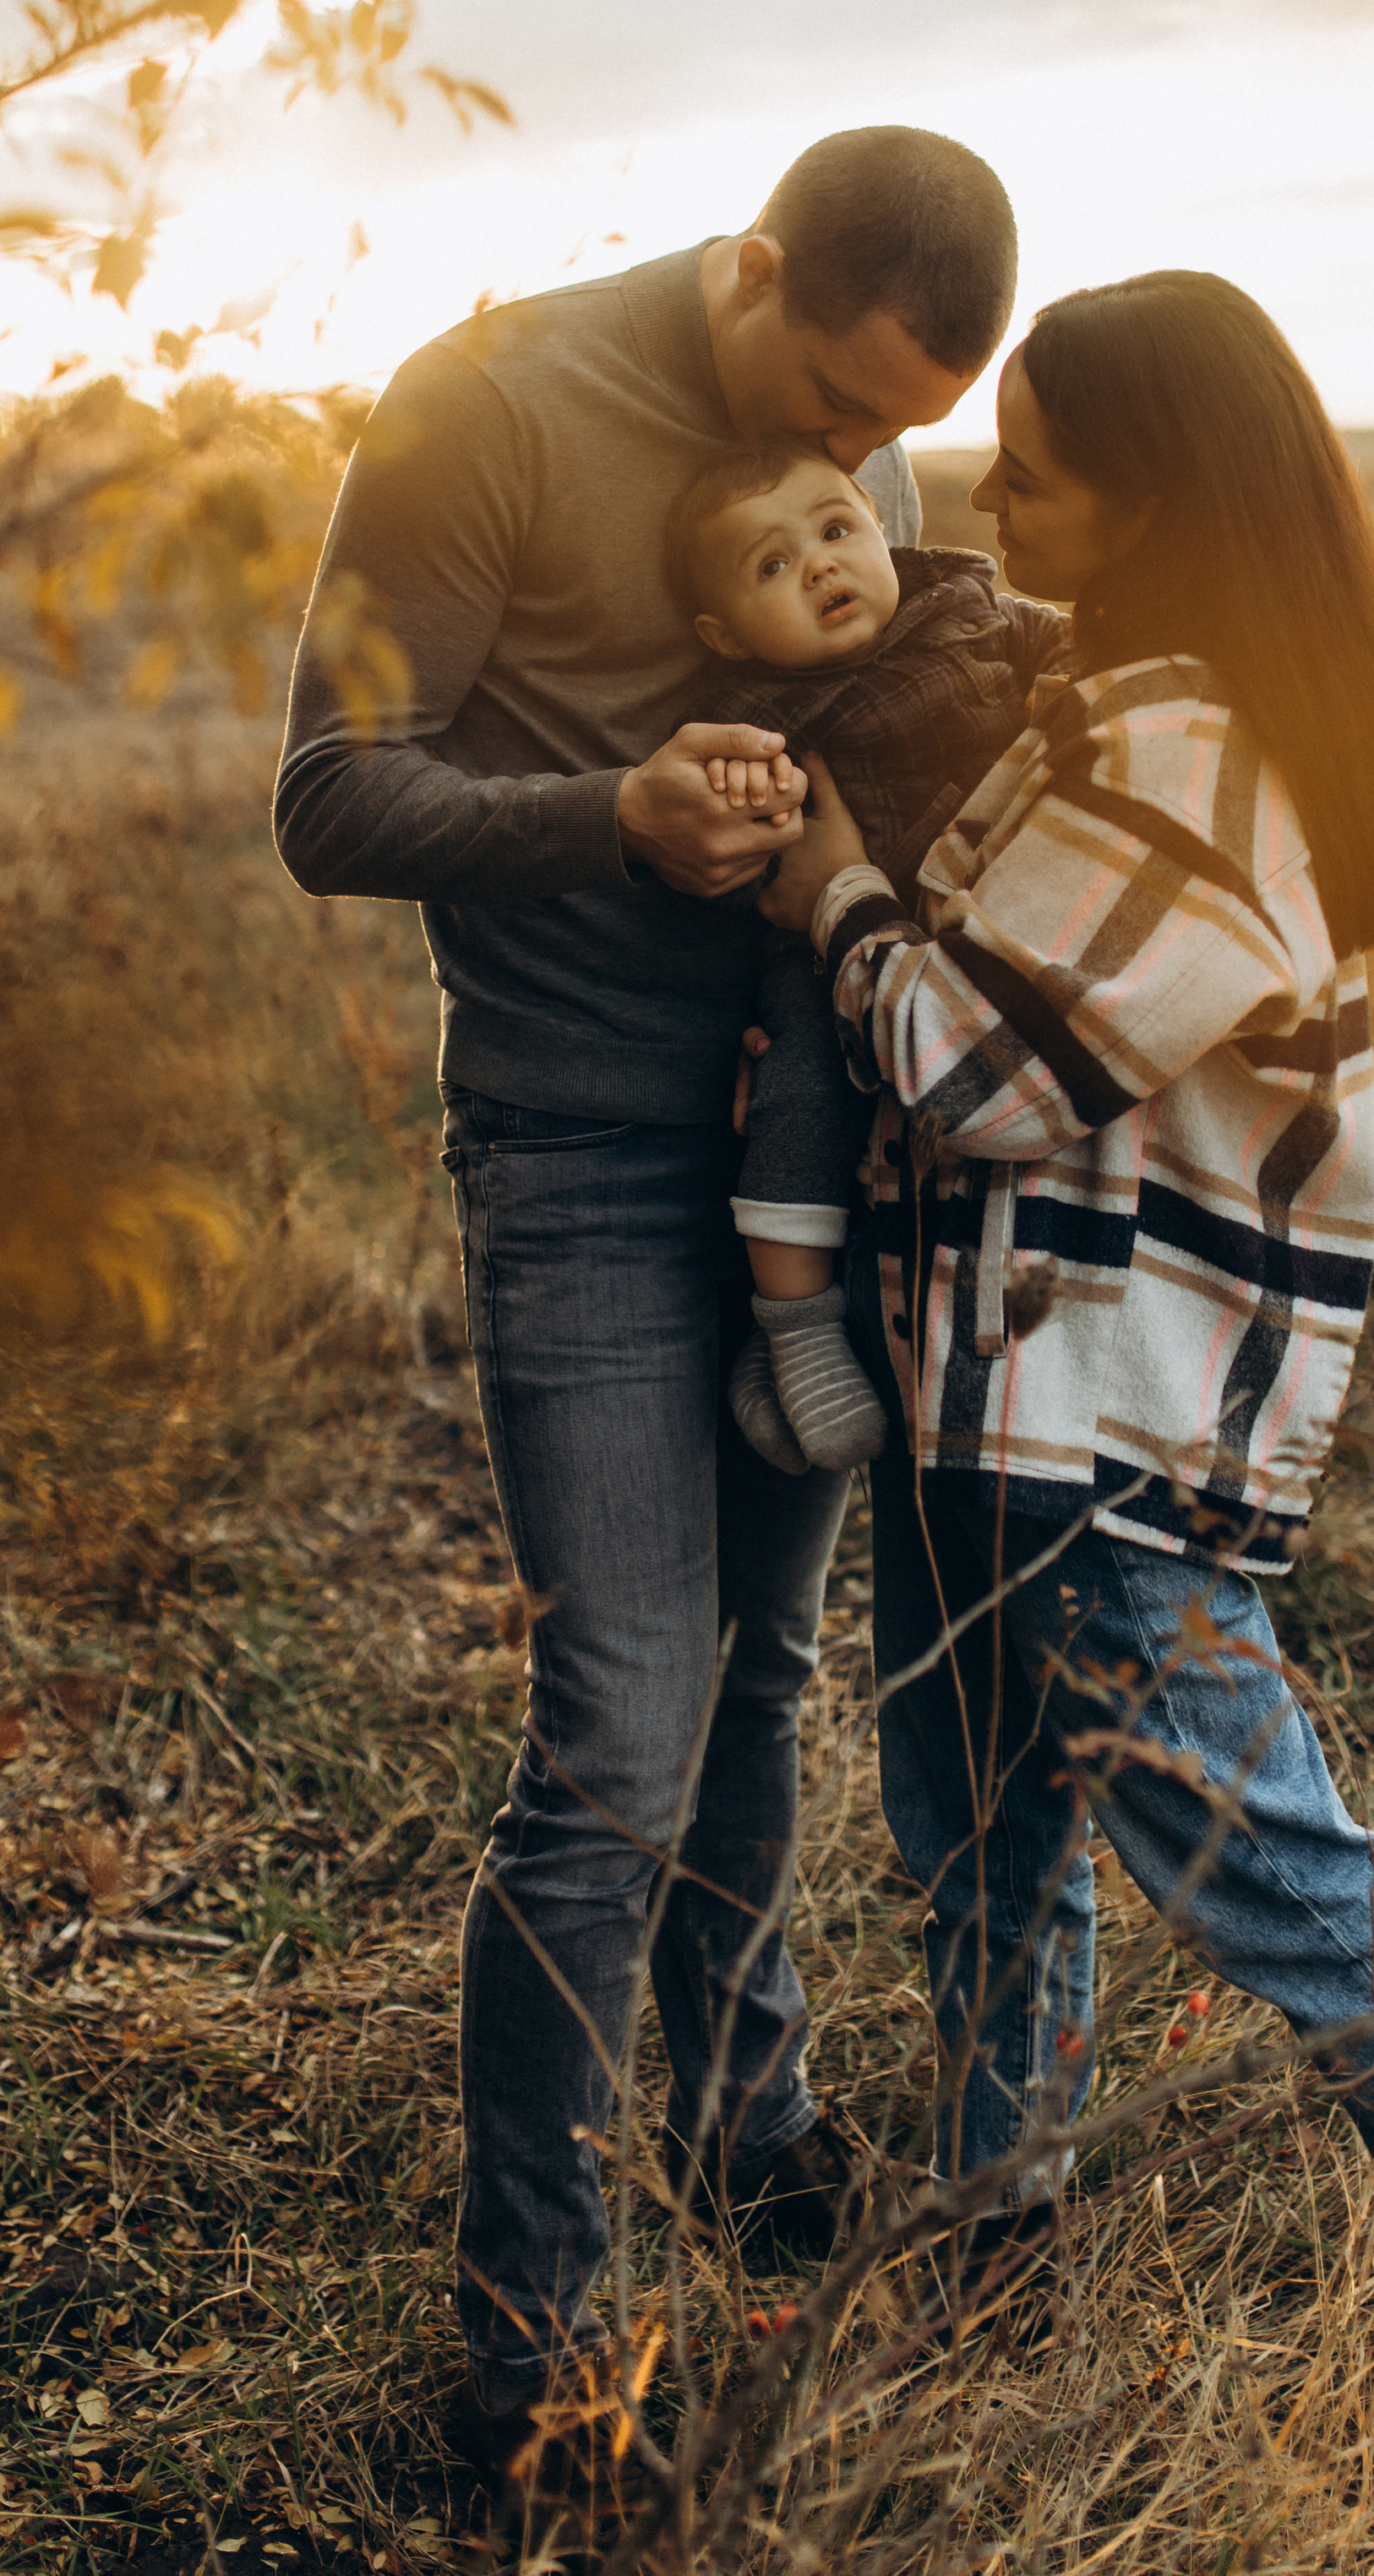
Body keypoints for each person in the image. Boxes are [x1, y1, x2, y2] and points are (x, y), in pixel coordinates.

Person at [757, 268, 1374, 2502]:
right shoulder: (1104, 706)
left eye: (1034, 473)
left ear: (1158, 502)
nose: (983, 498)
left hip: (1096, 1423)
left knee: (1270, 1872)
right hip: (987, 1396)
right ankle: (1000, 2228)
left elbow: (976, 1071)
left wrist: (834, 893)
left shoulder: (1187, 758)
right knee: (982, 1845)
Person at [270, 128, 1019, 2487]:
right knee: (614, 1736)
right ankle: (533, 2349)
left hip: (820, 1157)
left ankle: (746, 2112)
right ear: (752, 265)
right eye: (833, 400)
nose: (856, 463)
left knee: (763, 1674)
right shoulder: (481, 407)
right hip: (584, 1156)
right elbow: (327, 795)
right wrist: (609, 815)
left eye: (894, 434)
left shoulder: (855, 444)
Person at [663, 437, 1068, 1475]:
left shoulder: (969, 612)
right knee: (799, 1092)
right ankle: (795, 1331)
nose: (820, 567)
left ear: (881, 529)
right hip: (820, 949)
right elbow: (724, 833)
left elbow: (1069, 652)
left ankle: (790, 1347)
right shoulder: (756, 712)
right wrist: (754, 796)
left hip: (965, 941)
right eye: (772, 565)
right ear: (726, 633)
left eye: (836, 531)